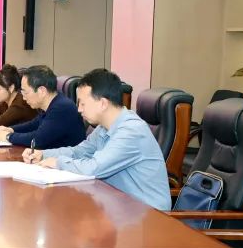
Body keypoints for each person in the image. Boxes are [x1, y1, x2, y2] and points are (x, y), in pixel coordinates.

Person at [24, 68, 172, 211]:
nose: (79, 109)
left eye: (82, 103)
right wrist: (43, 155)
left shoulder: (131, 131)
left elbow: (94, 167)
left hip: (148, 214)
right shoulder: (104, 128)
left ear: (103, 103)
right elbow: (79, 151)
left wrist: (58, 162)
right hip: (118, 205)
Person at [0, 65, 85, 150]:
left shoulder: (62, 108)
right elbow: (34, 124)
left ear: (41, 91)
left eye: (26, 92)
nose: (24, 98)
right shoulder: (53, 102)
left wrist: (8, 137)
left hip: (65, 159)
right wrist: (11, 129)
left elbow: (38, 140)